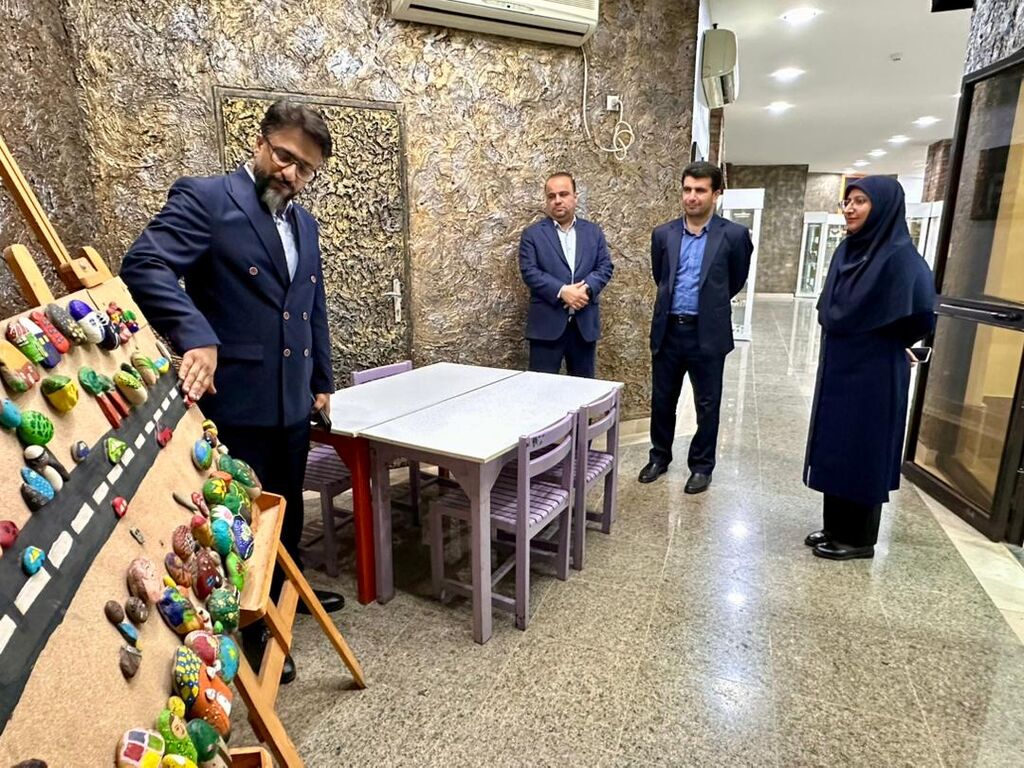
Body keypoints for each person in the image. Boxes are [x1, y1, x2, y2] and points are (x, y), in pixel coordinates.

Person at [120, 99, 345, 682]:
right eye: (284, 157)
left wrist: (321, 380)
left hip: (292, 401)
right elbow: (143, 264)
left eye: (305, 169)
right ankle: (252, 625)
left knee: (286, 507)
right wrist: (195, 333)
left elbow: (311, 306)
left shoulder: (304, 224)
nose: (290, 174)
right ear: (260, 141)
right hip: (236, 402)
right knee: (240, 524)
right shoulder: (207, 199)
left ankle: (288, 590)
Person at [803, 176, 935, 560]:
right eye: (848, 201)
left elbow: (920, 315)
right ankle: (835, 525)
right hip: (840, 364)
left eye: (860, 201)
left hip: (876, 370)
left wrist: (887, 341)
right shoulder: (848, 250)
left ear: (884, 208)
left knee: (863, 446)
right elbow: (831, 304)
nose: (850, 208)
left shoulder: (900, 258)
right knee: (836, 442)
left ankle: (858, 538)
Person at [638, 162, 753, 493]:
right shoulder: (664, 234)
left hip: (708, 334)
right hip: (669, 331)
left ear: (716, 194)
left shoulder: (734, 235)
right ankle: (659, 457)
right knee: (662, 400)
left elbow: (735, 279)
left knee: (707, 404)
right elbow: (661, 277)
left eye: (700, 190)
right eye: (687, 189)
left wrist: (710, 303)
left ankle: (702, 466)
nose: (692, 196)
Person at [518, 172, 614, 377]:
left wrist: (585, 289)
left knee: (583, 390)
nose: (557, 200)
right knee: (541, 390)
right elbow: (530, 272)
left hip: (584, 327)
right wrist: (562, 291)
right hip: (546, 328)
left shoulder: (593, 232)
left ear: (575, 197)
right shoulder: (532, 234)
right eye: (551, 196)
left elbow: (605, 267)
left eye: (563, 194)